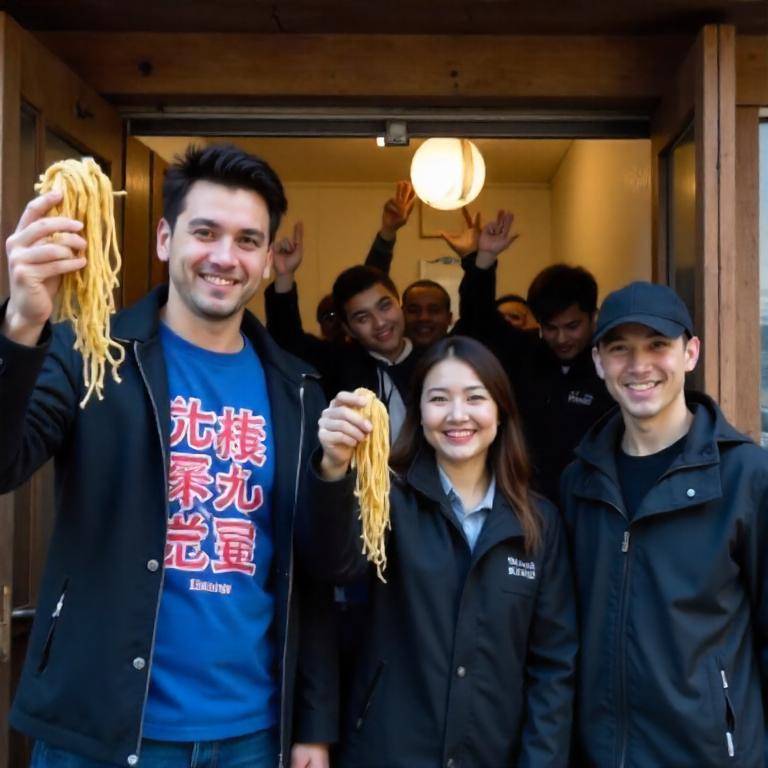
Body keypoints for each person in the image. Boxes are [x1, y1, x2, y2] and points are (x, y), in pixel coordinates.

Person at [0, 144, 335, 768]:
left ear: (266, 260)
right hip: (100, 728)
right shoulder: (91, 354)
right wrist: (21, 324)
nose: (224, 257)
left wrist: (311, 725)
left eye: (247, 240)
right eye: (204, 232)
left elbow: (309, 572)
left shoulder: (298, 390)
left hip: (251, 736)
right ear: (164, 238)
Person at [302, 336, 577, 767]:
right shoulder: (385, 498)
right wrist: (333, 468)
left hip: (492, 754)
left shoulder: (538, 523)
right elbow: (332, 563)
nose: (457, 415)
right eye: (438, 399)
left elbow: (553, 666)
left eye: (474, 398)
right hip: (388, 750)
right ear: (419, 413)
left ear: (501, 410)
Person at [561, 281, 768, 767]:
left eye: (657, 345)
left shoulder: (746, 477)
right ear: (598, 362)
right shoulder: (578, 482)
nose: (639, 366)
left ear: (690, 352)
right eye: (619, 349)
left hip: (712, 755)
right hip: (602, 754)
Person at [452, 208, 613, 501]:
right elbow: (478, 320)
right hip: (525, 501)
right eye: (550, 328)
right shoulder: (524, 353)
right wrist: (484, 260)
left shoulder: (611, 367)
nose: (561, 338)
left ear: (594, 317)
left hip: (591, 503)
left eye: (572, 326)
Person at [401, 278, 453, 349]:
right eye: (413, 310)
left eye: (434, 310)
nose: (423, 318)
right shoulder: (387, 356)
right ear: (401, 315)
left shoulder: (464, 356)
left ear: (449, 318)